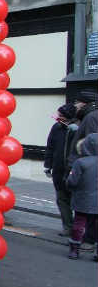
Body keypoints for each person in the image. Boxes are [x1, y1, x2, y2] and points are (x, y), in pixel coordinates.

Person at [45, 103, 79, 236]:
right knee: (61, 198)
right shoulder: (56, 128)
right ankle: (68, 226)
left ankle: (78, 228)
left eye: (61, 115)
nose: (58, 117)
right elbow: (50, 146)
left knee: (75, 200)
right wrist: (48, 165)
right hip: (59, 170)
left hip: (74, 170)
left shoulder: (77, 129)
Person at [65, 133, 97, 261]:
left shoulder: (81, 162)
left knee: (79, 223)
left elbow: (72, 181)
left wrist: (70, 187)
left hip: (83, 198)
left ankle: (74, 250)